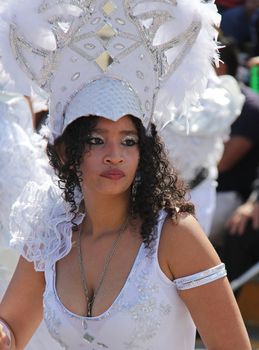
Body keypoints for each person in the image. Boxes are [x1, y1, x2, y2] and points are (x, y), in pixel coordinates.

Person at [0, 1, 251, 349]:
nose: (114, 156)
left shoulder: (176, 236)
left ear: (144, 153)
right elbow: (10, 335)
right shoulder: (51, 233)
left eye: (129, 141)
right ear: (67, 153)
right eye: (96, 140)